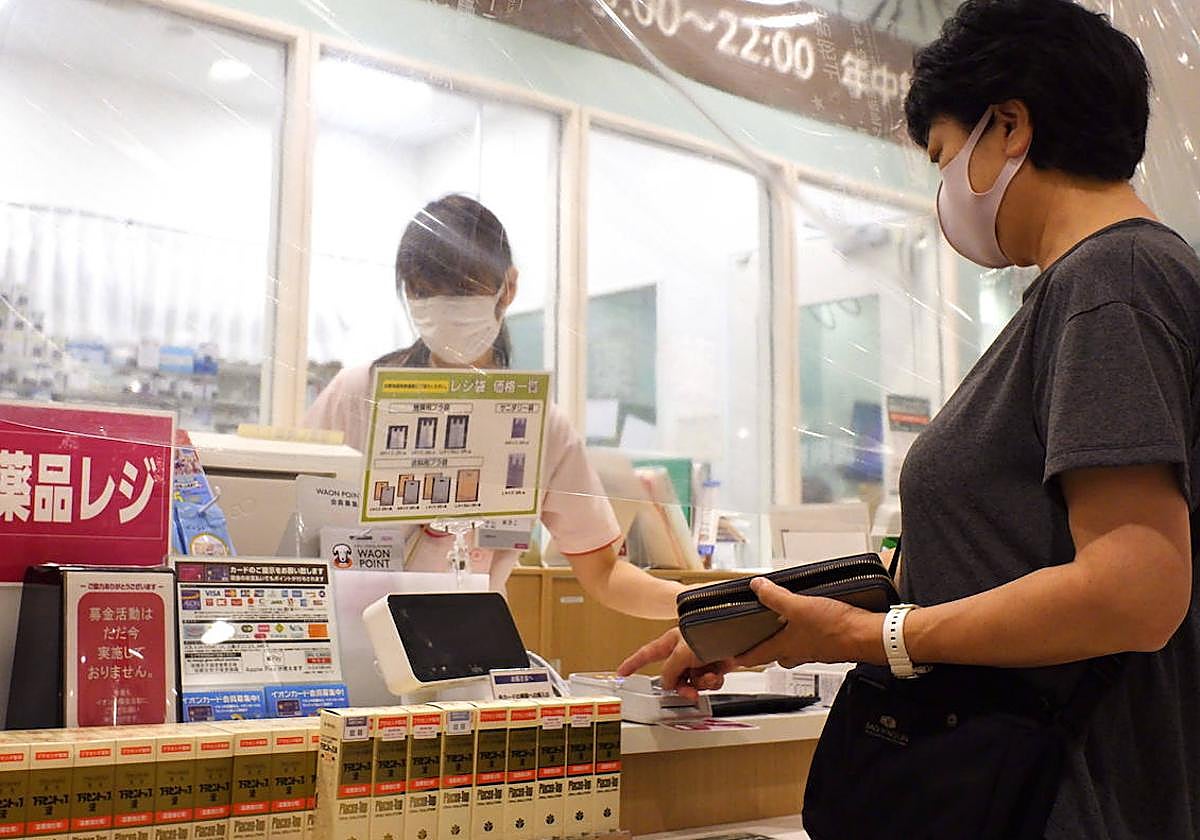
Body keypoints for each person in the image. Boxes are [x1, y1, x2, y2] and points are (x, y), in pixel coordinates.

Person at [621, 1, 1200, 836]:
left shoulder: (1109, 287)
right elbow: (1010, 556)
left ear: (1008, 127)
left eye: (942, 156)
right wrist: (792, 623)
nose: (943, 191)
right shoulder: (1103, 287)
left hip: (1060, 793)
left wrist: (879, 634)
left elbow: (1134, 587)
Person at [306, 194, 682, 619]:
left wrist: (703, 603)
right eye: (423, 292)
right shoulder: (358, 395)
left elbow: (603, 574)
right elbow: (289, 519)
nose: (443, 307)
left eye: (463, 290)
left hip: (469, 644)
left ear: (509, 288)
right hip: (349, 636)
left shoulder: (539, 425)